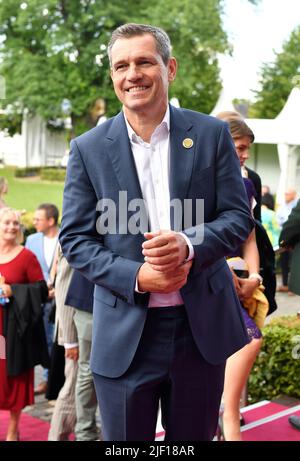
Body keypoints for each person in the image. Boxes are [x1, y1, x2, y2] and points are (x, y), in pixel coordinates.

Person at [60, 23, 253, 441]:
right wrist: (136, 277)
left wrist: (188, 244)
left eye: (145, 61)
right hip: (125, 336)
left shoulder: (211, 134)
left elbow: (238, 218)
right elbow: (74, 239)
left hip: (199, 331)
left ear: (170, 68)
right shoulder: (87, 148)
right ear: (113, 76)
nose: (133, 74)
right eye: (122, 65)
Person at [216, 113, 267, 441]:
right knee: (250, 339)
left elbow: (250, 236)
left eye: (247, 149)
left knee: (248, 340)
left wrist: (254, 276)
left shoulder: (246, 183)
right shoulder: (196, 179)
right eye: (240, 147)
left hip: (238, 276)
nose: (244, 154)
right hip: (210, 277)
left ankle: (226, 413)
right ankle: (226, 414)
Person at [0, 207, 49, 441]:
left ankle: (12, 431)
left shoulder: (26, 256)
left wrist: (13, 290)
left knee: (15, 378)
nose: (11, 227)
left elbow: (41, 290)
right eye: (6, 223)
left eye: (15, 223)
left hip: (15, 331)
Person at [25, 203, 59, 395]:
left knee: (60, 342)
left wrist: (57, 289)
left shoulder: (66, 237)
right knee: (44, 340)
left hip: (60, 299)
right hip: (39, 300)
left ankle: (56, 379)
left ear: (51, 221)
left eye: (38, 219)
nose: (34, 222)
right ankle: (47, 380)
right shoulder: (31, 240)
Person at [65, 270, 101, 441]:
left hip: (133, 300)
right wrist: (68, 337)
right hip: (89, 300)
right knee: (87, 371)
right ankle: (85, 432)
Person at [48, 245, 78, 441]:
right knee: (72, 388)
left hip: (82, 327)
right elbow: (64, 285)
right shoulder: (76, 228)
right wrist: (70, 340)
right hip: (74, 328)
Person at [276, 189, 298, 292]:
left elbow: (293, 222)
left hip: (292, 239)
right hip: (287, 237)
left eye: (288, 194)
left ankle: (291, 287)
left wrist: (283, 241)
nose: (285, 195)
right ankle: (285, 284)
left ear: (293, 195)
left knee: (292, 263)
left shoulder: (296, 204)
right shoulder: (282, 206)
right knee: (284, 263)